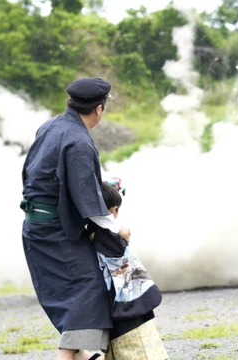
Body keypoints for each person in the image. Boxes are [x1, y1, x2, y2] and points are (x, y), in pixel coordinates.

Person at [20, 77, 130, 360]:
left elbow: (54, 179)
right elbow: (87, 200)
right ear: (99, 109)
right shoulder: (78, 140)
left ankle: (80, 355)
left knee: (70, 292)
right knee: (89, 287)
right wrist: (117, 228)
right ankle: (68, 356)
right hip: (55, 229)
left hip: (37, 226)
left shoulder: (51, 126)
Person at [88, 182, 168, 359]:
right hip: (129, 301)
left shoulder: (91, 231)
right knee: (139, 346)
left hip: (112, 300)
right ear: (114, 210)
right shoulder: (112, 235)